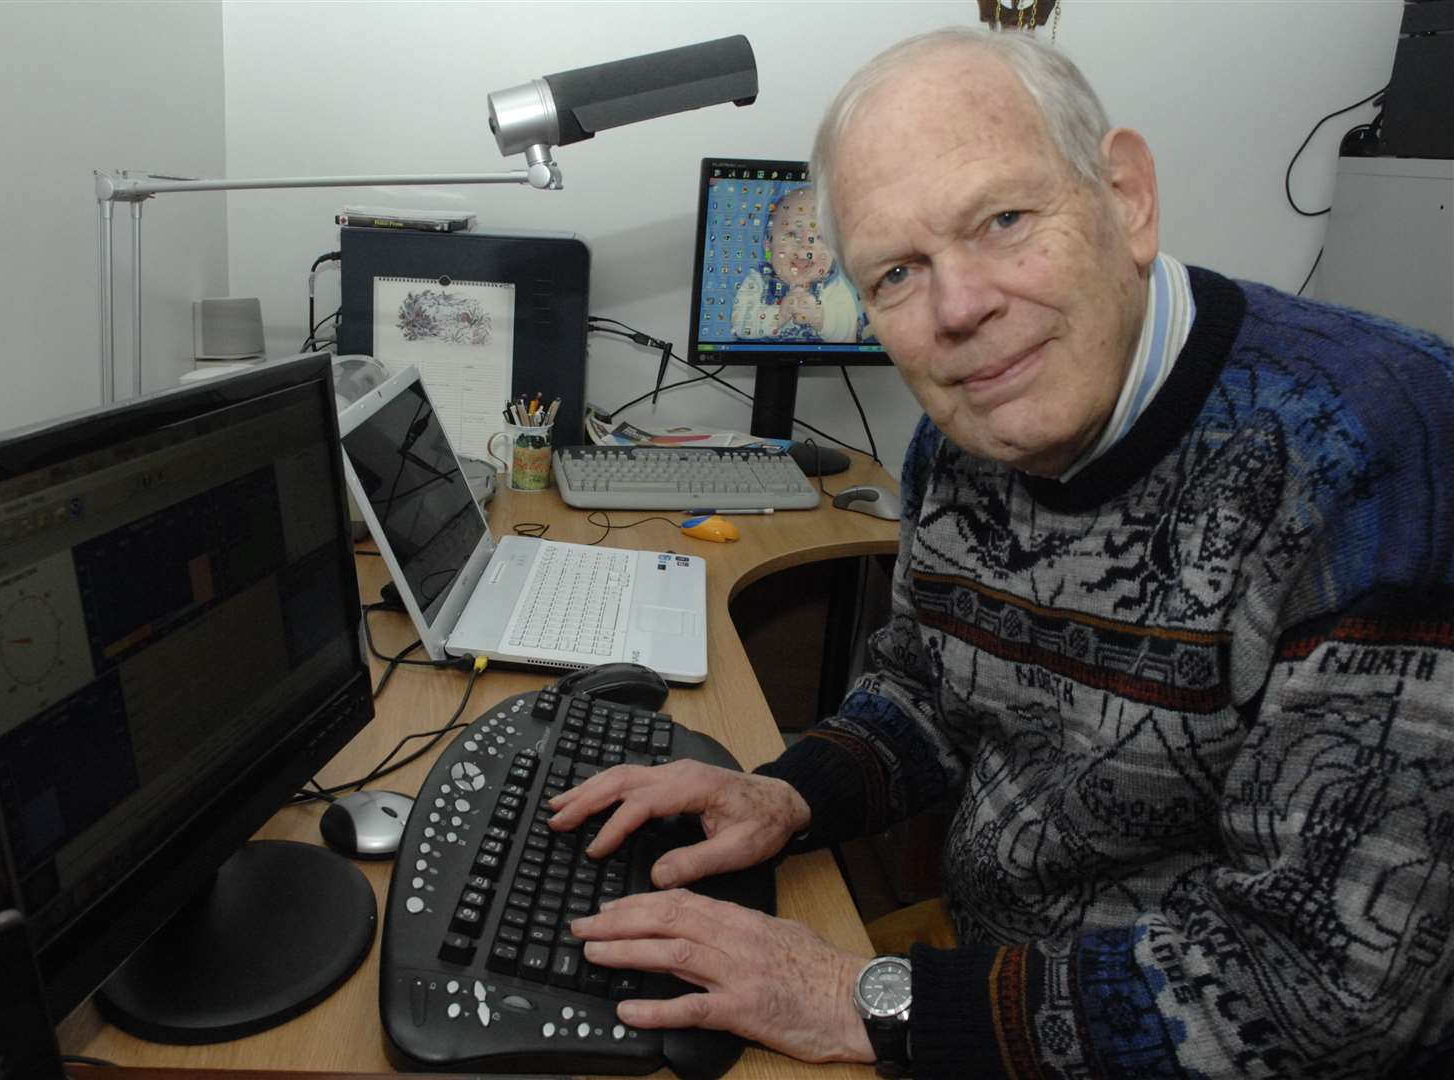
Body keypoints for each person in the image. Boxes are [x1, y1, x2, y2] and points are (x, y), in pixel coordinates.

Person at [548, 25, 1454, 1079]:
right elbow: (931, 693)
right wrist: (786, 796)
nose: (958, 308)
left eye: (1003, 220)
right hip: (1000, 985)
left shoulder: (1384, 451)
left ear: (1124, 196)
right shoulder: (960, 437)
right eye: (895, 273)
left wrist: (863, 998)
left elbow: (1324, 995)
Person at [731, 184, 863, 342]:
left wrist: (820, 318)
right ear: (768, 244)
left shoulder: (834, 286)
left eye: (820, 237)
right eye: (792, 233)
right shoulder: (758, 280)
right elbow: (739, 324)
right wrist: (779, 315)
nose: (806, 244)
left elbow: (849, 334)